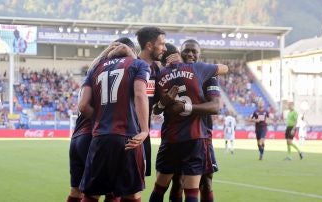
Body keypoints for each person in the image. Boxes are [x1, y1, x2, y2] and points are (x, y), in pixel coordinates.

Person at [149, 43, 228, 202]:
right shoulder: (199, 69)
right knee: (180, 184)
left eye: (194, 51)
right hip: (192, 137)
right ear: (179, 52)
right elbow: (224, 68)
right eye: (187, 51)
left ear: (200, 54)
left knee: (205, 181)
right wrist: (164, 104)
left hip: (198, 134)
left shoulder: (160, 74)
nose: (191, 54)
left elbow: (215, 106)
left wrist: (184, 107)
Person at [78, 38, 150, 202]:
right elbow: (140, 94)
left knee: (91, 195)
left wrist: (102, 118)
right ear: (132, 51)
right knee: (131, 194)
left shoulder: (95, 69)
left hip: (100, 138)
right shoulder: (138, 64)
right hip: (128, 137)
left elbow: (82, 106)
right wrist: (145, 130)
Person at [135, 26, 167, 177]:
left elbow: (158, 106)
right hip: (127, 132)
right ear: (149, 45)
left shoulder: (156, 69)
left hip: (144, 133)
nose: (164, 48)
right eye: (161, 44)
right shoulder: (131, 65)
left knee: (137, 185)